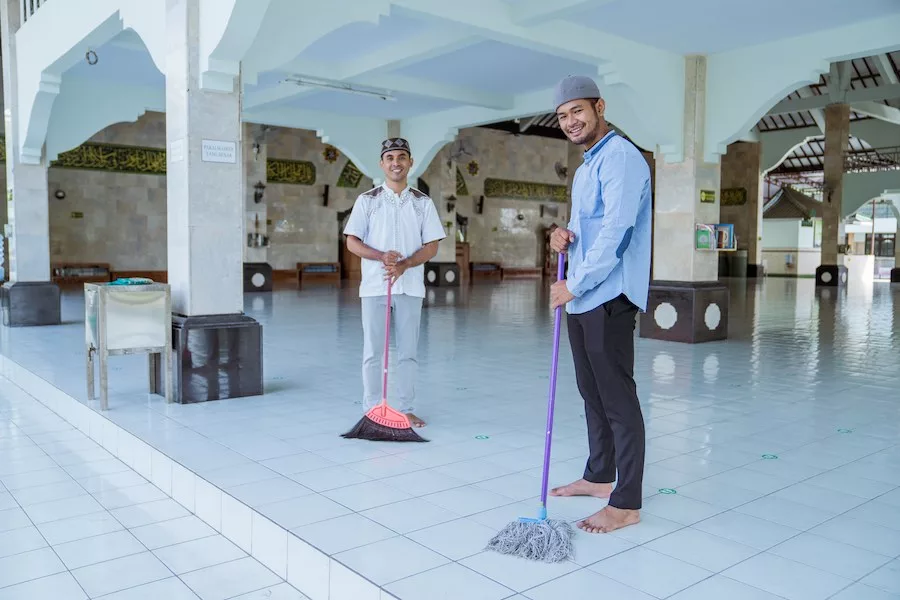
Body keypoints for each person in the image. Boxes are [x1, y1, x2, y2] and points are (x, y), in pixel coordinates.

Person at [547, 75, 652, 534]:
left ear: (599, 106)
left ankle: (626, 502)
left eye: (577, 111)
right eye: (563, 116)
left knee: (617, 399)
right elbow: (584, 228)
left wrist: (575, 283)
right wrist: (562, 237)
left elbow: (617, 232)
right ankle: (598, 475)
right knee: (592, 393)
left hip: (608, 295)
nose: (571, 121)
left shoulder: (622, 158)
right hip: (584, 296)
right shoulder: (587, 167)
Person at [343, 137, 446, 428]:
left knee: (408, 352)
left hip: (411, 286)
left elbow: (431, 246)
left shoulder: (422, 203)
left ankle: (406, 407)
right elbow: (352, 241)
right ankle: (372, 408)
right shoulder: (368, 200)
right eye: (390, 158)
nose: (396, 163)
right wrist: (380, 256)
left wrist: (405, 264)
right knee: (373, 350)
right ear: (382, 164)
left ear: (410, 162)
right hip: (376, 285)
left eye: (402, 157)